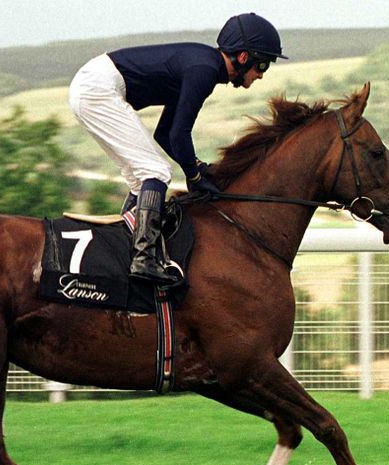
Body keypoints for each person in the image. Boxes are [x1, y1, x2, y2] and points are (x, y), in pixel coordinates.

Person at [69, 12, 287, 284]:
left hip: (93, 85)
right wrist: (194, 176)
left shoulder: (203, 65)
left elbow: (166, 134)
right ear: (244, 57)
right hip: (98, 88)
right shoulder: (204, 70)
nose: (261, 75)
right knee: (156, 171)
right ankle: (143, 259)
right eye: (262, 65)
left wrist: (196, 167)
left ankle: (126, 250)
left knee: (142, 179)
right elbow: (180, 134)